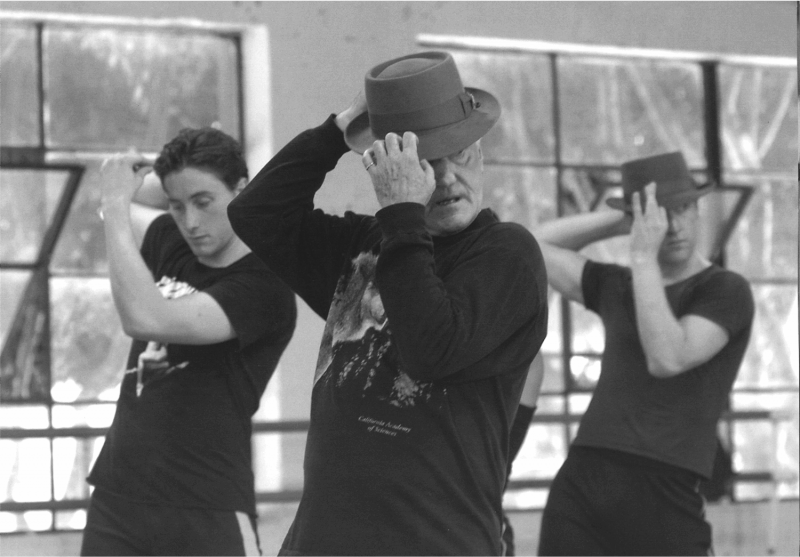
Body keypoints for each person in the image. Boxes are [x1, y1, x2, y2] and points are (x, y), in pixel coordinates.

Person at [228, 51, 549, 557]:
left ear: (481, 152)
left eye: (458, 154)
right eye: (423, 163)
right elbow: (256, 213)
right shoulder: (363, 246)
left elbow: (430, 349)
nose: (444, 180)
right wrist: (337, 132)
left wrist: (403, 214)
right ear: (386, 167)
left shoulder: (508, 255)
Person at [81, 128, 297, 557]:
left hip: (205, 504)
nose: (191, 222)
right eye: (177, 206)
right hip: (118, 495)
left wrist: (115, 203)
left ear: (242, 191)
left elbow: (146, 318)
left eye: (204, 202)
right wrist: (133, 186)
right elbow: (120, 201)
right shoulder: (169, 240)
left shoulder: (264, 285)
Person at [534, 152, 755, 557]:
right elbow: (529, 246)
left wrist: (640, 257)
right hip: (585, 476)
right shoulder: (618, 285)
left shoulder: (725, 290)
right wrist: (623, 219)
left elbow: (667, 357)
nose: (671, 226)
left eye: (682, 208)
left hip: (665, 487)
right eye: (658, 214)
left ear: (698, 210)